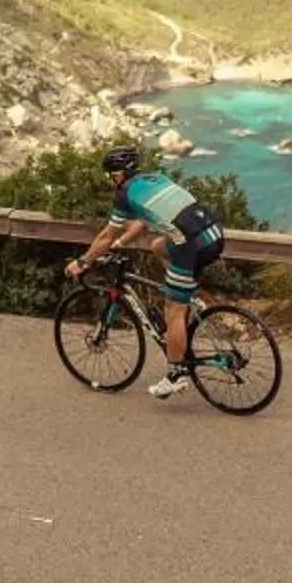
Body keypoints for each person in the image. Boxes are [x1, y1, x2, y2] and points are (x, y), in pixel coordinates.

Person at [67, 145, 225, 398]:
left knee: (173, 310)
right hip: (214, 235)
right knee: (158, 246)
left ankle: (176, 374)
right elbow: (141, 223)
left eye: (111, 175)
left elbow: (106, 235)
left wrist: (83, 262)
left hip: (191, 246)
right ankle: (189, 295)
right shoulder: (156, 179)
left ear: (119, 175)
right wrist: (122, 244)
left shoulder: (124, 194)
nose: (110, 181)